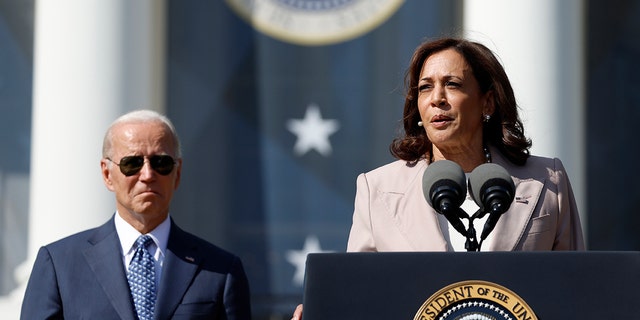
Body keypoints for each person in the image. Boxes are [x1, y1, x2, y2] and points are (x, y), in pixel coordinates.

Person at [291, 37, 584, 319]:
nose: (437, 99)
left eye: (452, 85)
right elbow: (356, 298)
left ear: (488, 103)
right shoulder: (377, 189)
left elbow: (576, 293)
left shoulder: (547, 181)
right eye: (425, 88)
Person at [21, 110, 252, 319]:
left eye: (161, 162)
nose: (148, 175)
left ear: (177, 173)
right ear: (107, 174)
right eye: (132, 163)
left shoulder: (221, 270)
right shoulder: (59, 264)